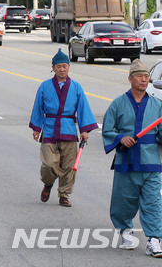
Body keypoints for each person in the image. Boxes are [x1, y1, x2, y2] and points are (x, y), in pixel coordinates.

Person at [103, 59, 162, 256]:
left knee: (153, 202)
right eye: (139, 76)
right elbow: (107, 130)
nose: (144, 80)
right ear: (130, 79)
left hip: (150, 162)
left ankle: (154, 239)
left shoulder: (156, 105)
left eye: (146, 76)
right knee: (123, 202)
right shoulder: (118, 104)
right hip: (126, 162)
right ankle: (126, 231)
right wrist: (121, 138)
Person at [29, 48, 97, 207]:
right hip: (50, 130)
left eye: (64, 66)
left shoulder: (76, 87)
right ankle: (48, 183)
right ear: (52, 68)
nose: (62, 69)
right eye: (58, 66)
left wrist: (84, 130)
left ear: (68, 67)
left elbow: (82, 108)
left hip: (69, 130)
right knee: (49, 164)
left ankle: (64, 194)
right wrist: (36, 128)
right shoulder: (45, 86)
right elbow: (38, 108)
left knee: (69, 166)